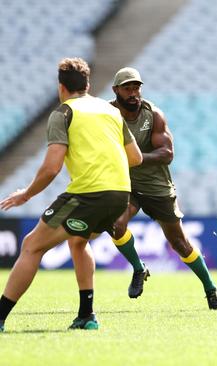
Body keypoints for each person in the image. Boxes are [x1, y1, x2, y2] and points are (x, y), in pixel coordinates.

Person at [0, 58, 143, 331]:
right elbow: (135, 157)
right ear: (88, 85)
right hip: (120, 195)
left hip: (88, 195)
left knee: (32, 245)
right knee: (78, 243)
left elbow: (51, 167)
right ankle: (87, 316)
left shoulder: (64, 113)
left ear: (60, 87)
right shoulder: (110, 110)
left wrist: (26, 194)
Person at [68, 67, 217, 310]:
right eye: (128, 88)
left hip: (156, 186)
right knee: (116, 225)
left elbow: (167, 153)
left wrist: (136, 158)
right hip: (125, 185)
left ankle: (211, 289)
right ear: (116, 90)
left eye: (137, 87)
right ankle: (139, 268)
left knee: (179, 244)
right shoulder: (106, 114)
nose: (133, 93)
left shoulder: (154, 115)